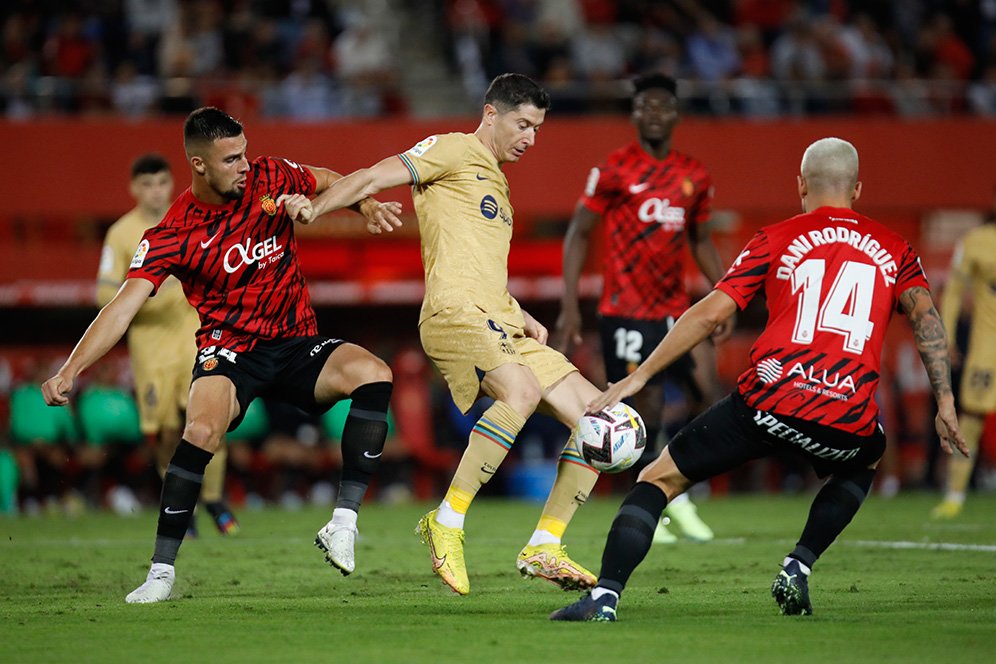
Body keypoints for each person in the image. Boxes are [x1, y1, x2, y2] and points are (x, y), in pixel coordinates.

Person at [550, 137, 968, 622]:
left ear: (800, 185)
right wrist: (945, 401)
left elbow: (709, 314)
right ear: (857, 188)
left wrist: (638, 377)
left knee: (656, 479)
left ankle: (605, 598)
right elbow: (926, 319)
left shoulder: (777, 237)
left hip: (768, 402)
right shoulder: (897, 249)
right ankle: (799, 565)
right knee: (868, 455)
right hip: (844, 415)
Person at [42, 107, 402, 604]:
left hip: (295, 341)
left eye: (245, 152)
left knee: (374, 373)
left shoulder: (270, 175)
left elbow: (328, 180)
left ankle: (343, 523)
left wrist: (363, 207)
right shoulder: (171, 233)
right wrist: (69, 370)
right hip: (229, 350)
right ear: (199, 164)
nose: (244, 165)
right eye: (231, 158)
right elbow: (121, 307)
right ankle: (161, 573)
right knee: (200, 430)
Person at [307, 73, 631, 596]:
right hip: (455, 313)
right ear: (490, 114)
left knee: (604, 420)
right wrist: (316, 207)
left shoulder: (497, 182)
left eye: (538, 128)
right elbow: (373, 175)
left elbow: (477, 263)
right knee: (520, 393)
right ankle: (447, 521)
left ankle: (545, 544)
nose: (531, 137)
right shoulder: (452, 149)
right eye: (523, 124)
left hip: (497, 317)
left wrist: (518, 311)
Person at [554, 73, 727, 543]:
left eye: (662, 106)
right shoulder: (613, 169)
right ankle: (655, 501)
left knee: (707, 393)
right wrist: (570, 307)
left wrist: (728, 291)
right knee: (643, 407)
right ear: (633, 114)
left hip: (676, 308)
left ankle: (678, 487)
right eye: (643, 106)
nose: (653, 113)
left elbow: (701, 240)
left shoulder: (694, 176)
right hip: (625, 310)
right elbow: (578, 233)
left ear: (675, 114)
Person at [97, 153, 238, 535]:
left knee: (212, 418)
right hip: (151, 346)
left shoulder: (193, 219)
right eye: (146, 185)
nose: (155, 192)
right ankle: (182, 507)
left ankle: (214, 498)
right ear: (133, 189)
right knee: (165, 432)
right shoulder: (122, 233)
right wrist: (149, 293)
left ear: (170, 184)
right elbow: (102, 294)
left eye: (160, 183)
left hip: (198, 336)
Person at [931, 195, 996, 518]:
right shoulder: (976, 242)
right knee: (970, 418)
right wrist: (947, 335)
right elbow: (955, 291)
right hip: (988, 348)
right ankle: (955, 495)